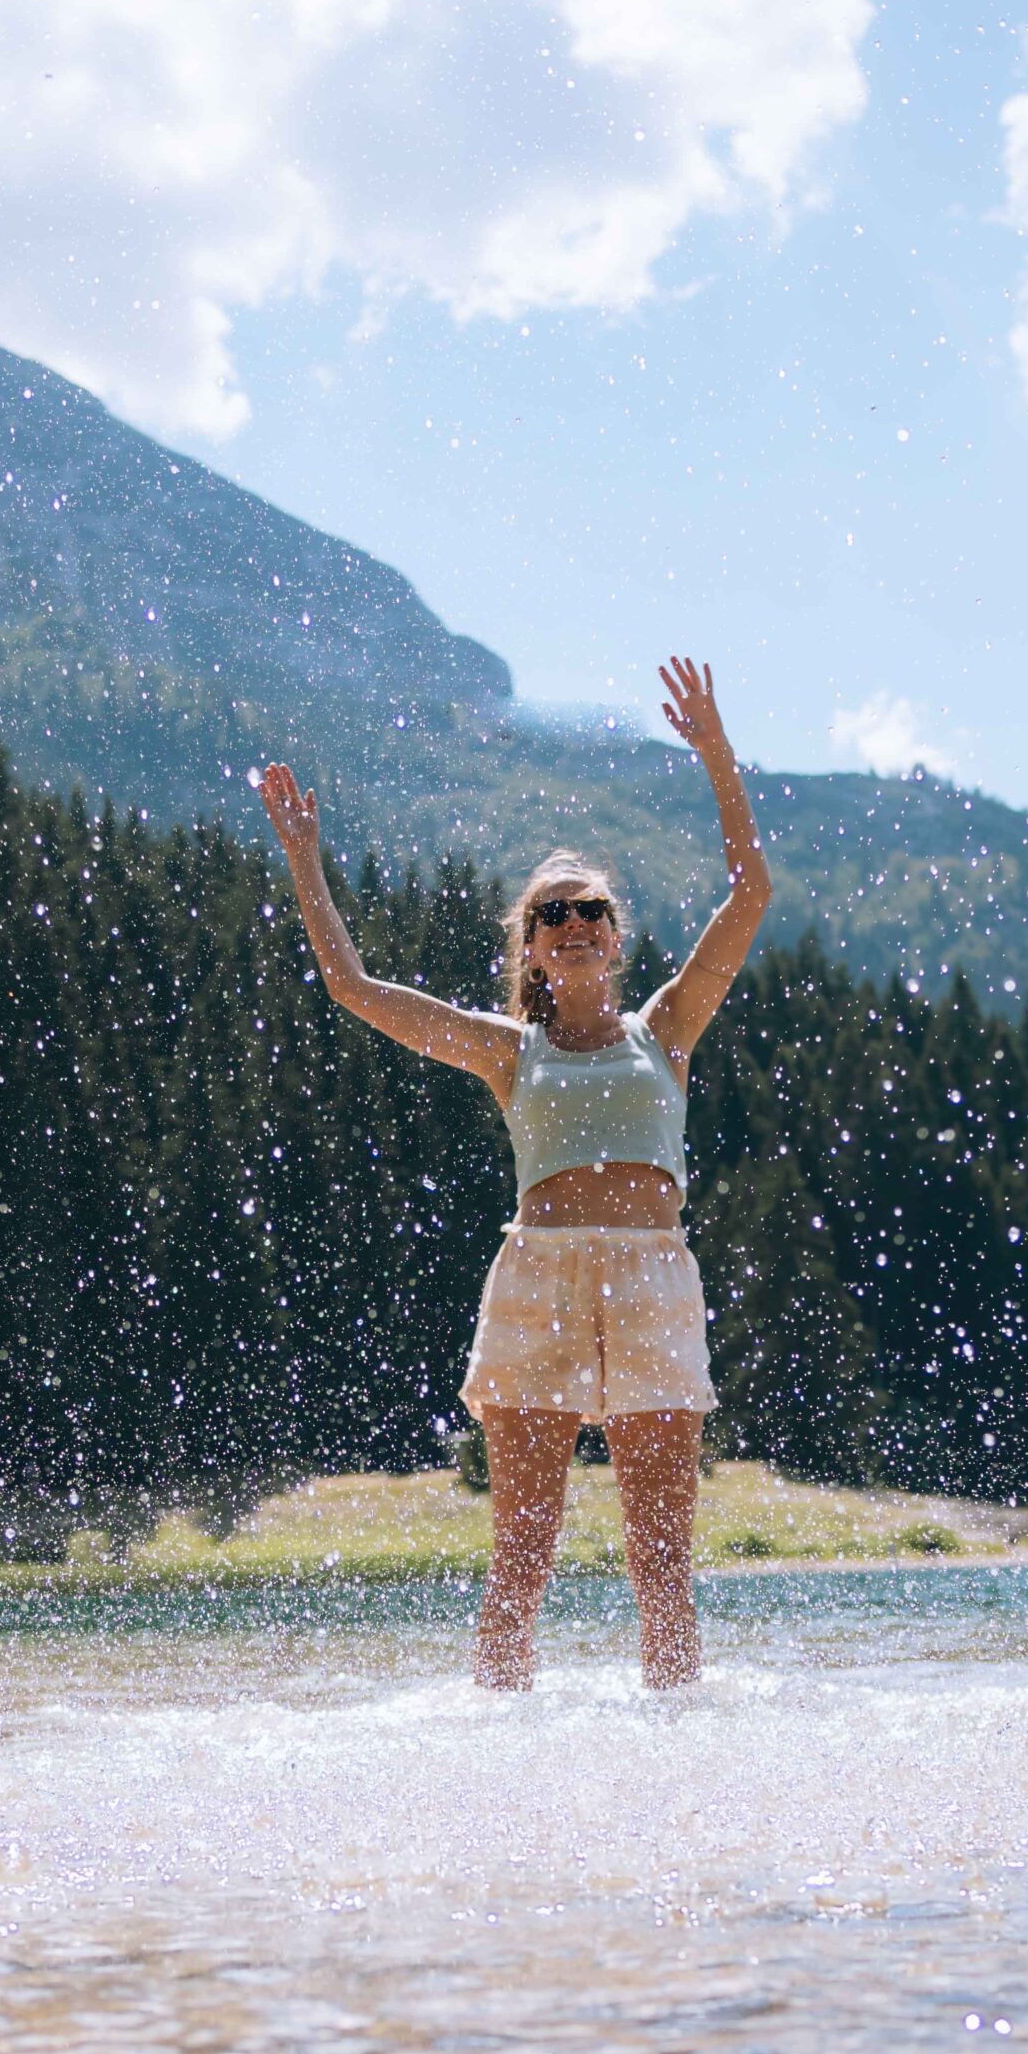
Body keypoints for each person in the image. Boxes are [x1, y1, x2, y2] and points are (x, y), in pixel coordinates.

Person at [258, 657, 771, 1689]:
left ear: (618, 938)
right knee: (523, 1556)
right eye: (552, 915)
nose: (574, 924)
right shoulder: (508, 1051)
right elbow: (351, 987)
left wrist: (716, 754)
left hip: (653, 1276)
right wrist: (307, 861)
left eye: (591, 911)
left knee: (660, 1559)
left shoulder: (667, 1028)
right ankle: (497, 1751)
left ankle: (676, 1756)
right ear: (532, 952)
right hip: (536, 1276)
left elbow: (752, 890)